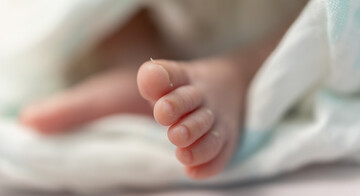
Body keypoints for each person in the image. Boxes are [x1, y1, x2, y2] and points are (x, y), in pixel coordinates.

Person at [19, 5, 304, 180]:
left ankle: (240, 72)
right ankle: (133, 59)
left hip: (273, 25)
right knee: (102, 11)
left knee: (326, 17)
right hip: (167, 21)